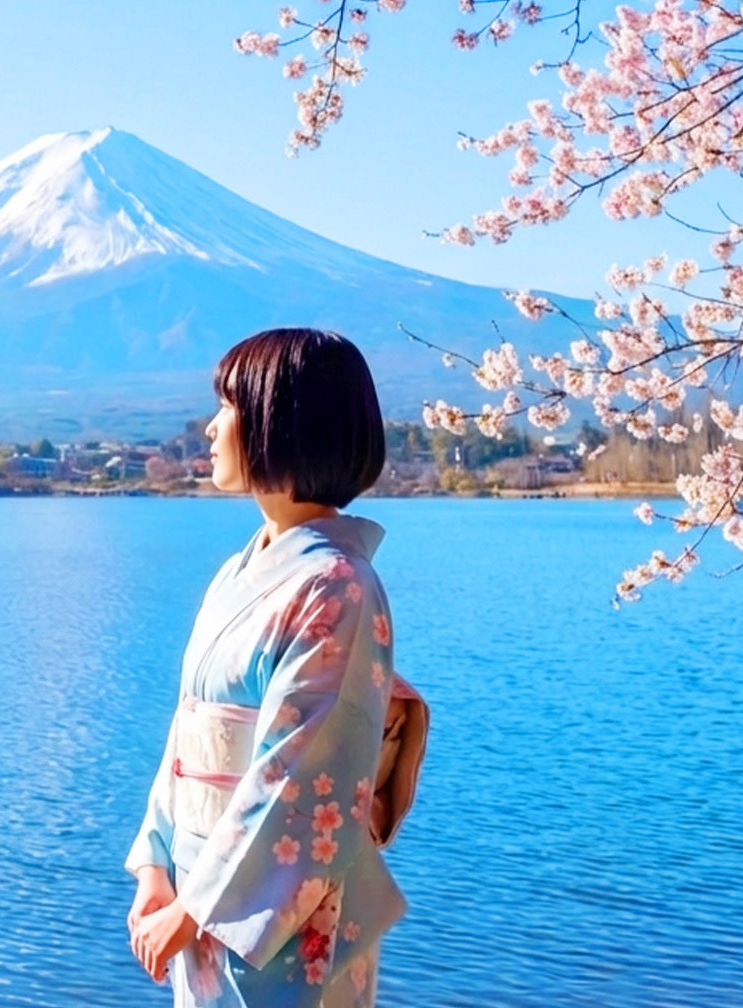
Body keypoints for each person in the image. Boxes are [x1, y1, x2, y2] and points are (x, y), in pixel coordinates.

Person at [125, 328, 429, 1008]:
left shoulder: (336, 585)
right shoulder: (239, 570)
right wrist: (156, 865)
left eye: (227, 408)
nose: (208, 428)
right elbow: (187, 737)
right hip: (203, 894)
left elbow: (304, 770)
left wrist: (197, 907)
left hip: (279, 916)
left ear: (280, 420)